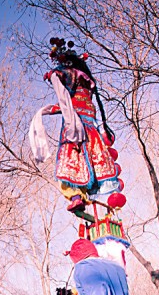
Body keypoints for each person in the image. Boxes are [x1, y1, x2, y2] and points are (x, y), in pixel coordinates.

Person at [29, 38, 123, 213]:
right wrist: (49, 110)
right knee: (90, 159)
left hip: (75, 126)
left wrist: (54, 76)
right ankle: (81, 196)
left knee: (70, 160)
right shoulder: (87, 84)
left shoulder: (69, 75)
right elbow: (74, 103)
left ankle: (76, 196)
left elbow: (68, 100)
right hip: (90, 126)